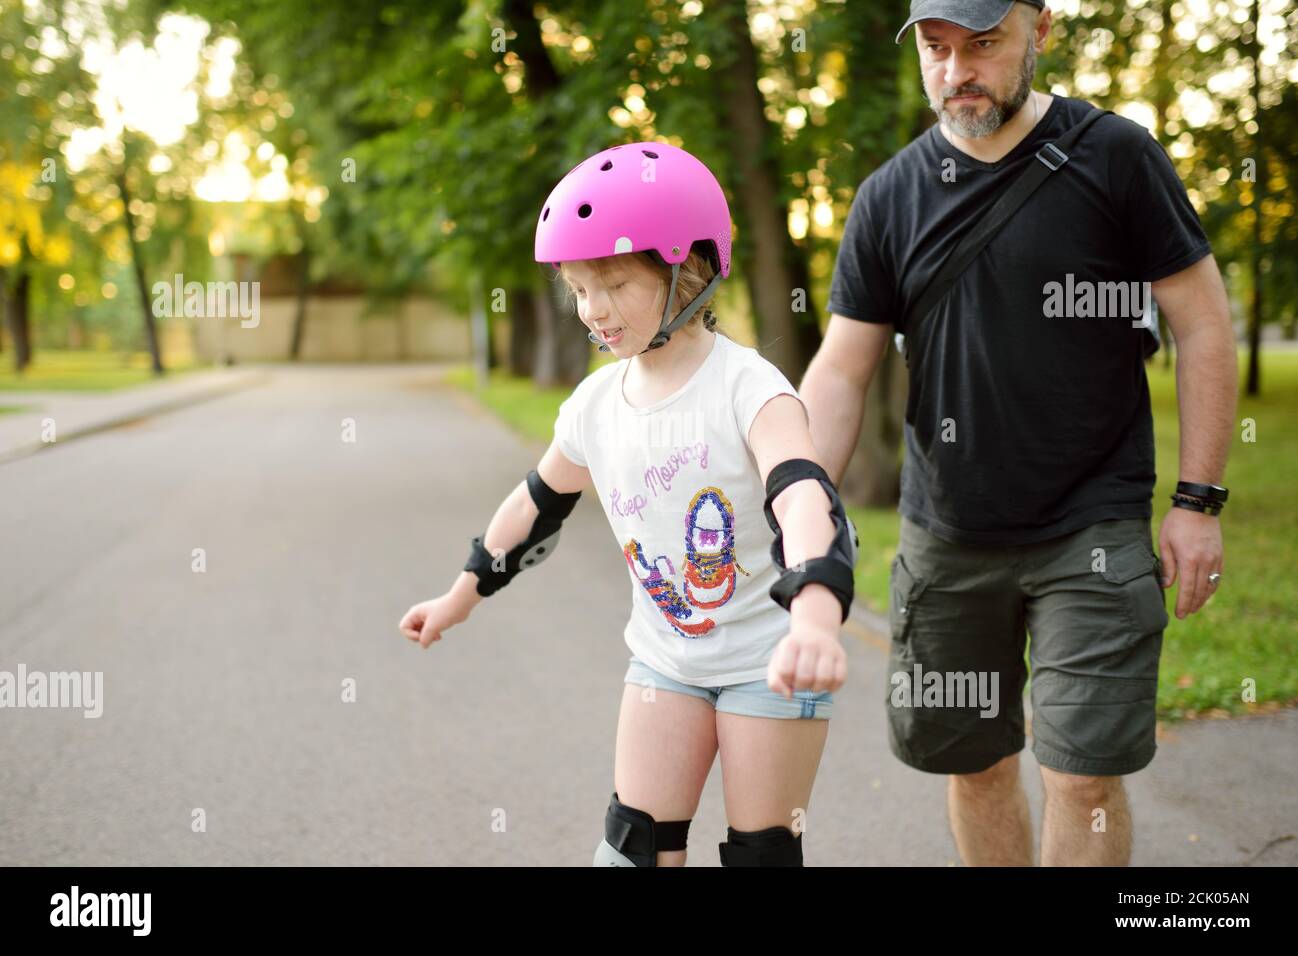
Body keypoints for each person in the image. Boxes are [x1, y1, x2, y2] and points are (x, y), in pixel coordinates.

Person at [800, 0, 1237, 865]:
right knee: (977, 764)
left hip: (1094, 527)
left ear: (1039, 31)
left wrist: (1199, 500)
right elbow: (842, 374)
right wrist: (799, 526)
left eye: (983, 44)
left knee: (1080, 772)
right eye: (936, 48)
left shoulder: (1114, 157)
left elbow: (1204, 323)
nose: (957, 70)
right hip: (949, 533)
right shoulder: (889, 197)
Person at [399, 141, 860, 866]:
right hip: (664, 664)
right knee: (632, 852)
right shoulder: (595, 404)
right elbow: (535, 505)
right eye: (579, 289)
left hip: (771, 660)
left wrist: (815, 619)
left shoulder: (750, 389)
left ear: (688, 269)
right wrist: (462, 594)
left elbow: (806, 502)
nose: (594, 310)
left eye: (613, 283)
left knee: (761, 853)